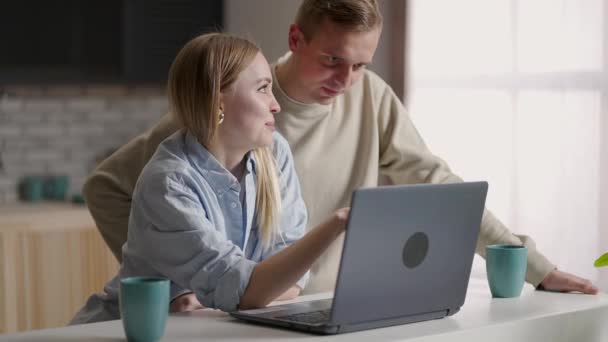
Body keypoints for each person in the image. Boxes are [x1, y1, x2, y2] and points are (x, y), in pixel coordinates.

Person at [83, 0, 597, 313]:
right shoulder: (221, 114)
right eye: (333, 60)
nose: (346, 82)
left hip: (307, 309)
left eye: (360, 65)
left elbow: (437, 180)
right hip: (236, 311)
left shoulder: (364, 99)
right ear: (295, 39)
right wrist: (174, 282)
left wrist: (535, 267)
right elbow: (107, 187)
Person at [70, 33, 349, 324]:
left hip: (201, 327)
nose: (275, 105)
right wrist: (337, 223)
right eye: (263, 89)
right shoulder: (168, 183)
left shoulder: (275, 153)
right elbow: (249, 290)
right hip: (124, 331)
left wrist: (217, 300)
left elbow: (289, 279)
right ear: (219, 102)